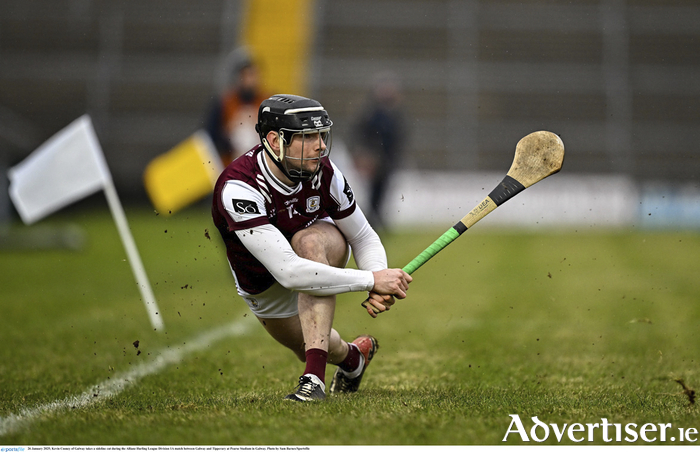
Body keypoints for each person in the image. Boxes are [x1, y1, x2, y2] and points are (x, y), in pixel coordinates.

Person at [212, 94, 412, 401]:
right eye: (308, 137)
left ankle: (313, 381)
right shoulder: (239, 187)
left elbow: (363, 236)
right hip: (262, 282)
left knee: (309, 243)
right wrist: (371, 280)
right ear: (274, 140)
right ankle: (353, 359)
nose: (320, 145)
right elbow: (290, 273)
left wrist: (377, 275)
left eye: (321, 135)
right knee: (309, 343)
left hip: (316, 246)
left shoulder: (325, 172)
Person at [352, 71, 407, 231]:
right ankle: (373, 220)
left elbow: (399, 137)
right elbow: (362, 134)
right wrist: (365, 154)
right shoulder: (372, 113)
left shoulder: (394, 114)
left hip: (388, 159)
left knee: (382, 191)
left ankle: (375, 219)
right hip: (375, 159)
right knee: (374, 191)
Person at [205, 48, 269, 165]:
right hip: (230, 165)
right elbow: (209, 136)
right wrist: (229, 140)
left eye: (253, 74)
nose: (250, 80)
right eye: (245, 75)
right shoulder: (224, 103)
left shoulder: (267, 102)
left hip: (260, 166)